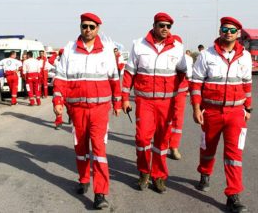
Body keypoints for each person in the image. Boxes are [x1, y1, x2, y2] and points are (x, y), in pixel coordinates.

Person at [52, 13, 121, 209]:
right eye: (84, 26)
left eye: (91, 26)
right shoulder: (69, 51)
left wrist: (117, 103)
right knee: (80, 149)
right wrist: (58, 100)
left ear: (98, 28)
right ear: (80, 27)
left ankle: (100, 193)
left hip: (99, 110)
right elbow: (61, 79)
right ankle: (83, 179)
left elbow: (114, 79)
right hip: (77, 109)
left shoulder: (106, 51)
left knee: (99, 150)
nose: (87, 30)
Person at [190, 17, 252, 213]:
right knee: (208, 148)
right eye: (225, 29)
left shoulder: (246, 56)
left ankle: (233, 195)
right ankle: (205, 173)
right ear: (220, 30)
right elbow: (196, 83)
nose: (228, 33)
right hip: (212, 111)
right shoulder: (206, 55)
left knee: (234, 155)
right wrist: (196, 108)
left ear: (238, 34)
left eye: (232, 30)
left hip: (236, 112)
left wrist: (248, 108)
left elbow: (247, 84)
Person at [121, 12, 188, 193]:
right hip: (145, 102)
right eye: (161, 25)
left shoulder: (177, 48)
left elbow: (183, 75)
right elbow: (129, 73)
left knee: (162, 142)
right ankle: (144, 172)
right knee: (143, 139)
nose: (165, 29)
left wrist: (179, 100)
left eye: (168, 26)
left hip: (166, 103)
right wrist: (125, 98)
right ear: (154, 25)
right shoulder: (138, 45)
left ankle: (159, 176)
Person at [168, 50, 194, 160]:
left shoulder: (187, 59)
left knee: (174, 119)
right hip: (169, 93)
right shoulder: (164, 57)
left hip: (177, 93)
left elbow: (189, 76)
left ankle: (172, 146)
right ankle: (169, 144)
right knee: (171, 119)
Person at [49, 49, 66, 130]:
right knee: (57, 104)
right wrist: (56, 54)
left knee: (70, 106)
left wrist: (56, 54)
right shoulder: (58, 62)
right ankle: (59, 122)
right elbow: (50, 60)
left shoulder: (72, 62)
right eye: (61, 54)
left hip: (69, 86)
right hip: (58, 85)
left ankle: (71, 116)